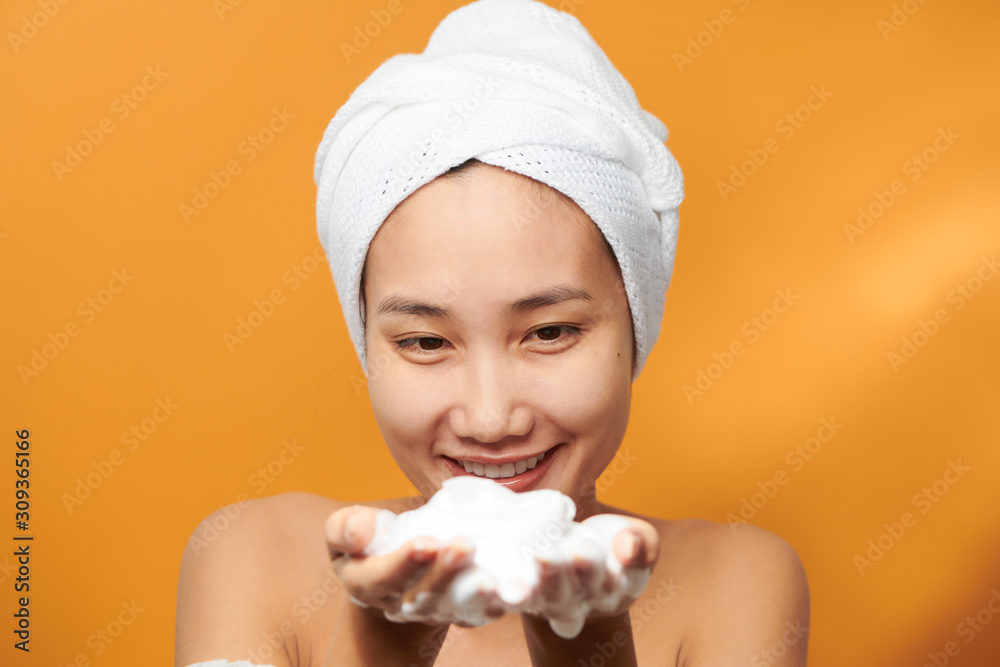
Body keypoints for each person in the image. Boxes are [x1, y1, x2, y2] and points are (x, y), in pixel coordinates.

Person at [175, 1, 809, 665]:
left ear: (635, 322)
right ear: (368, 342)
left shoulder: (735, 580)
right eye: (424, 341)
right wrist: (386, 643)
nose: (490, 417)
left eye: (551, 331)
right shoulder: (254, 555)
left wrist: (588, 642)